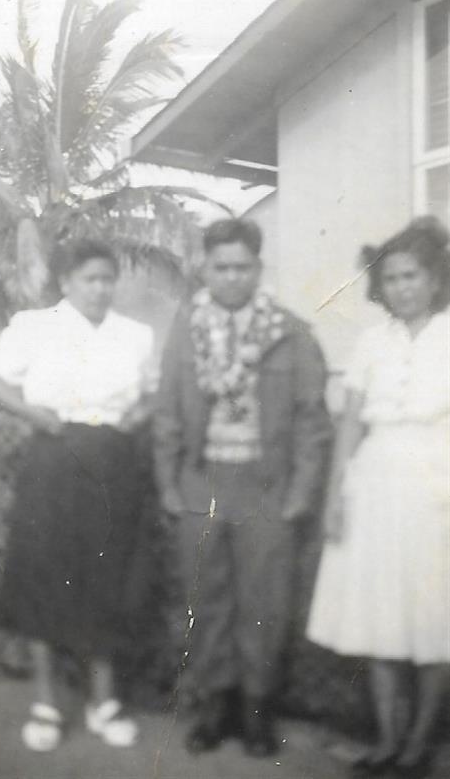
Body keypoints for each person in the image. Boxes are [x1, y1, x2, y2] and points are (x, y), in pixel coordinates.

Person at [153, 218, 331, 757]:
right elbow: (166, 413)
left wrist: (300, 493)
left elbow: (311, 421)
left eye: (243, 267)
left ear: (258, 268)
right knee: (206, 602)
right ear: (205, 269)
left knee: (263, 602)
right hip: (200, 481)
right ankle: (214, 708)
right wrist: (167, 483)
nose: (232, 278)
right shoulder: (186, 329)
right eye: (221, 267)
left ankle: (256, 712)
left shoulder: (290, 331)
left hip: (265, 486)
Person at [0, 239, 153, 751]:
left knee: (108, 576)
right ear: (66, 282)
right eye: (89, 279)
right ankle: (47, 703)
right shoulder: (35, 327)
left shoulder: (134, 336)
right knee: (44, 575)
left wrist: (135, 418)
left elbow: (146, 395)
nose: (100, 288)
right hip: (53, 457)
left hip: (113, 462)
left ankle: (103, 701)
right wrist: (31, 413)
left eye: (107, 279)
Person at [307, 217, 450, 778]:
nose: (401, 287)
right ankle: (389, 741)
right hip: (375, 484)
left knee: (432, 615)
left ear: (435, 279)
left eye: (412, 276)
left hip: (438, 484)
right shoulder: (371, 342)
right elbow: (348, 426)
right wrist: (335, 494)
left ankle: (419, 745)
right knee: (381, 615)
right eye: (390, 278)